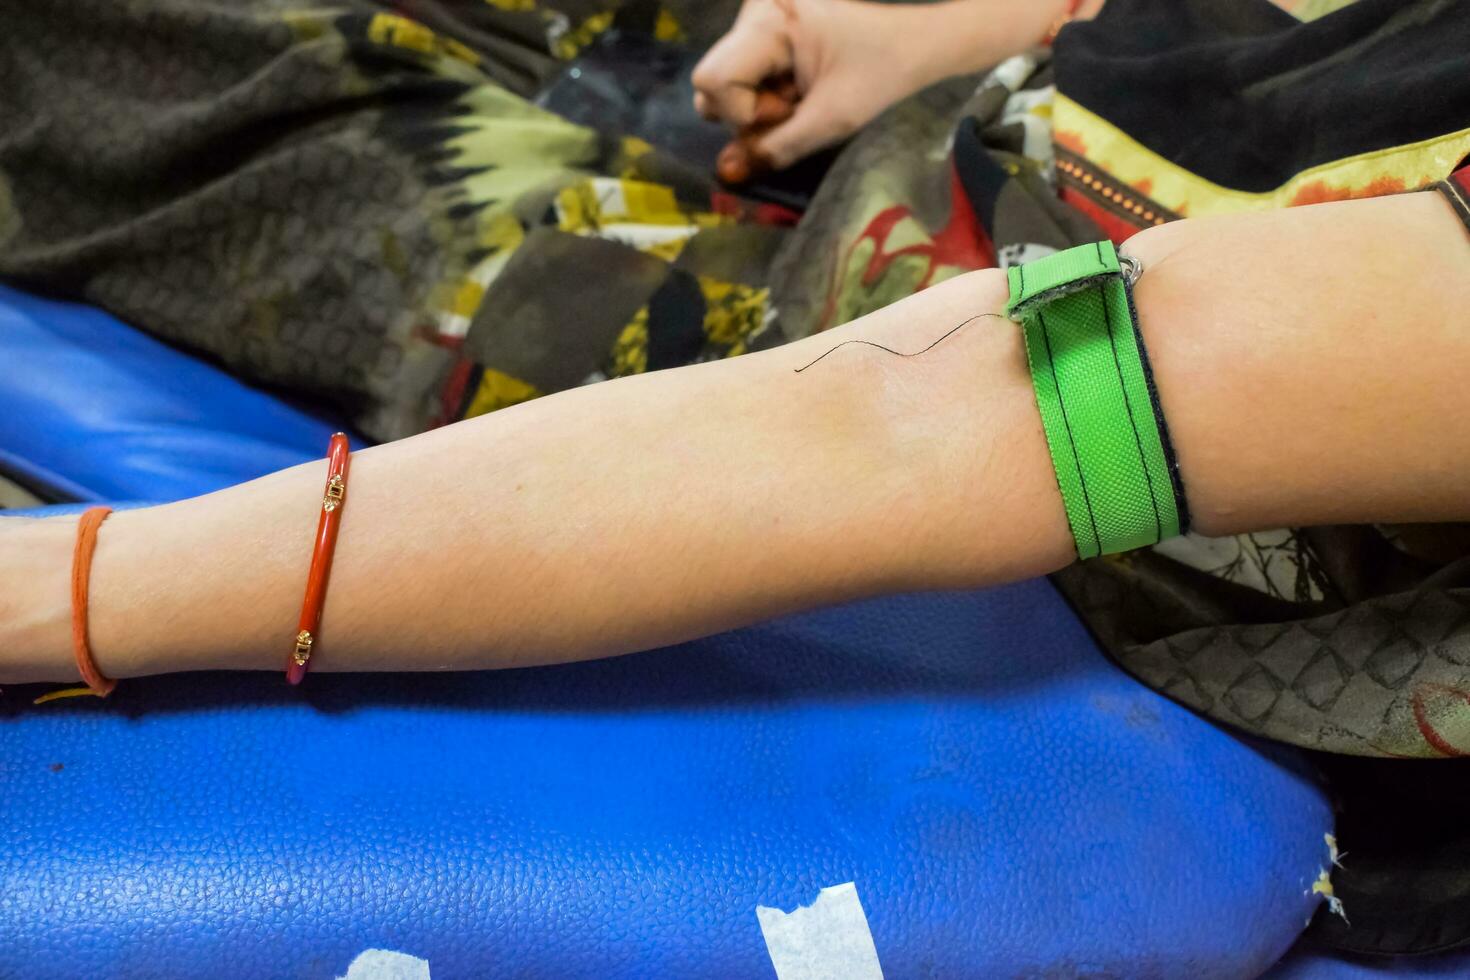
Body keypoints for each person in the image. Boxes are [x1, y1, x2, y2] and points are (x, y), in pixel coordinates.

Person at [3, 0, 1470, 955]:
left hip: (745, 331)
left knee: (96, 88)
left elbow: (929, 425)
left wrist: (68, 587)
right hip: (908, 120)